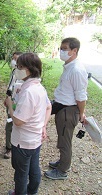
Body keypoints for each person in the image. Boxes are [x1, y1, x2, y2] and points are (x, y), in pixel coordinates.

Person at [5, 53, 52, 195]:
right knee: (34, 168)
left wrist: (9, 105)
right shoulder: (39, 88)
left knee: (21, 173)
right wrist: (43, 126)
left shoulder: (29, 92)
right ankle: (32, 192)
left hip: (23, 141)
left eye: (20, 67)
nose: (17, 69)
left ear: (30, 69)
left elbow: (18, 121)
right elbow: (48, 107)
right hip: (35, 138)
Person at [44, 37, 88, 180]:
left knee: (65, 142)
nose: (61, 52)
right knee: (62, 139)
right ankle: (62, 162)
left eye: (64, 49)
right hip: (61, 107)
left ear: (74, 51)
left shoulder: (76, 70)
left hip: (68, 110)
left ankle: (62, 171)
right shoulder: (69, 67)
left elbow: (81, 97)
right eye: (60, 48)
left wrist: (81, 114)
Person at [4, 51, 23, 159]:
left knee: (19, 124)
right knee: (9, 124)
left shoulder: (25, 74)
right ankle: (8, 147)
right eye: (13, 58)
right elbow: (10, 85)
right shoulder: (14, 71)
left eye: (16, 59)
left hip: (19, 103)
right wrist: (7, 97)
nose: (13, 61)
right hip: (11, 101)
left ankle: (18, 146)